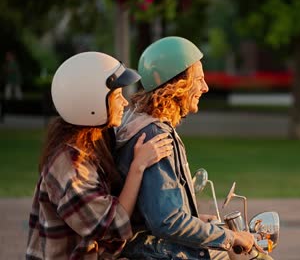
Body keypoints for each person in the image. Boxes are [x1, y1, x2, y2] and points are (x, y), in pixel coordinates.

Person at [114, 36, 255, 259]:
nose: (205, 87)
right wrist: (230, 237)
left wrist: (197, 219)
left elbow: (157, 209)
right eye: (198, 80)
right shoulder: (155, 135)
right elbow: (167, 222)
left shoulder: (143, 122)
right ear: (177, 85)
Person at [26, 52, 174, 259]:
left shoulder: (94, 142)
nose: (124, 102)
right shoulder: (70, 165)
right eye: (117, 95)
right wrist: (138, 166)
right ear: (92, 102)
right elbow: (111, 227)